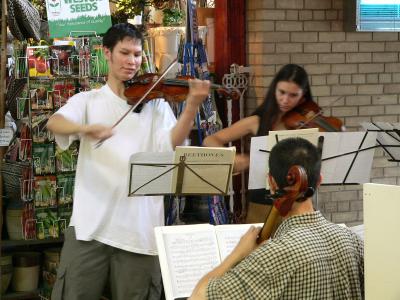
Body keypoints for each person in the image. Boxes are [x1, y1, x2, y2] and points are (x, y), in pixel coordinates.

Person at [47, 23, 210, 300]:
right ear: (107, 53)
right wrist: (85, 129)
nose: (132, 61)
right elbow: (55, 122)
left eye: (136, 55)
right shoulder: (88, 101)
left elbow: (172, 145)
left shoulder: (156, 104)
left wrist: (192, 106)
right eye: (124, 53)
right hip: (89, 229)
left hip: (139, 230)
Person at [190, 137, 364, 300]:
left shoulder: (273, 257)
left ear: (271, 183)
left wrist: (238, 253)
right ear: (319, 181)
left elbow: (198, 296)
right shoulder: (353, 241)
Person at [203, 64, 314, 223]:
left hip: (300, 206)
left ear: (303, 97)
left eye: (293, 95)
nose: (285, 100)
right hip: (263, 205)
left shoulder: (310, 123)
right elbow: (210, 140)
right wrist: (234, 158)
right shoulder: (258, 122)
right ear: (274, 89)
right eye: (281, 92)